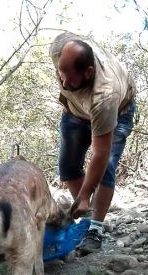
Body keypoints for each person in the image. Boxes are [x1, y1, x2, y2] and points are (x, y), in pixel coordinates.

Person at [50, 31, 137, 254]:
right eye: (61, 74)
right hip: (75, 112)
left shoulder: (104, 96)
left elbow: (100, 153)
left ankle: (95, 228)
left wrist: (86, 193)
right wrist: (83, 197)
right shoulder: (59, 49)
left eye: (71, 78)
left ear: (88, 72)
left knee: (105, 168)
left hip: (117, 111)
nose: (64, 82)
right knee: (68, 167)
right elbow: (68, 71)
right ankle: (85, 215)